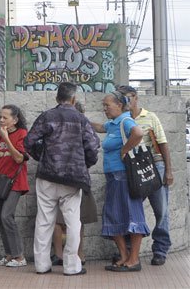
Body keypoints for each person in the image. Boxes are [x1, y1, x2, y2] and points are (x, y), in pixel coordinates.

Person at [24, 82, 99, 276]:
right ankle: (72, 266)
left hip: (47, 176)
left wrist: (41, 156)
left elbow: (29, 141)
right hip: (73, 178)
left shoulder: (47, 116)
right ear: (74, 99)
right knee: (73, 221)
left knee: (44, 220)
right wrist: (85, 164)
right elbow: (92, 146)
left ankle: (41, 265)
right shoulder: (81, 119)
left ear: (57, 98)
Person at [91, 91, 149, 272]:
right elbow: (101, 127)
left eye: (108, 105)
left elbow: (138, 132)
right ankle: (124, 256)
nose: (105, 108)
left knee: (132, 215)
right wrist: (80, 118)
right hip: (113, 176)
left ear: (119, 105)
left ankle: (133, 259)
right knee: (113, 215)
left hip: (124, 176)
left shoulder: (125, 121)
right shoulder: (114, 123)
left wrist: (124, 149)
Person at [116, 85, 172, 265]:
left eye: (127, 97)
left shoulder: (150, 117)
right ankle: (129, 251)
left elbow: (163, 144)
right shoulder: (120, 120)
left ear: (135, 97)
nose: (125, 101)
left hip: (154, 166)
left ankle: (160, 249)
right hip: (132, 169)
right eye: (121, 98)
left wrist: (168, 171)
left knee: (161, 210)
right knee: (130, 210)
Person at [51, 101, 98, 267]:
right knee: (78, 219)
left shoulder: (56, 126)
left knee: (57, 219)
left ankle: (59, 254)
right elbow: (92, 150)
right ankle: (79, 254)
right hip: (78, 178)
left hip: (56, 177)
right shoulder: (85, 129)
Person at [0, 105, 29, 268]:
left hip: (15, 182)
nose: (1, 120)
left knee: (7, 216)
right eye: (0, 117)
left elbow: (19, 158)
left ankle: (19, 256)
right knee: (1, 219)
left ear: (15, 120)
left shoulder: (22, 134)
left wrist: (6, 138)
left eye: (5, 117)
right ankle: (8, 255)